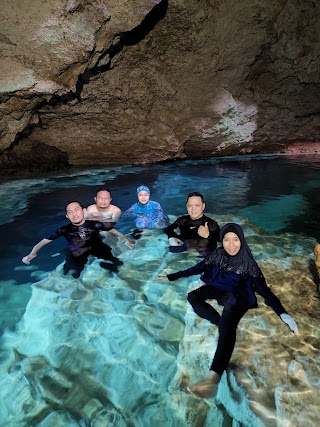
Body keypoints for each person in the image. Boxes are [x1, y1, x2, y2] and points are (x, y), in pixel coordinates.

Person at [155, 223, 298, 398]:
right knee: (193, 297)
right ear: (222, 241)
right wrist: (170, 277)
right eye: (226, 240)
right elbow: (196, 269)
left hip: (239, 293)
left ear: (241, 241)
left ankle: (213, 378)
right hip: (220, 286)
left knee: (229, 321)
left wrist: (283, 314)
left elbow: (265, 292)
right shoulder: (218, 255)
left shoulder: (249, 265)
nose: (231, 244)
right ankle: (220, 323)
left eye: (235, 240)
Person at [22, 200, 123, 278]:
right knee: (72, 274)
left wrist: (124, 240)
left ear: (83, 211)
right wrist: (33, 252)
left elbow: (111, 230)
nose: (74, 214)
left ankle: (109, 271)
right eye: (70, 212)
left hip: (97, 247)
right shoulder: (64, 230)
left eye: (76, 210)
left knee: (118, 264)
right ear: (67, 216)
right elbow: (44, 241)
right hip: (77, 252)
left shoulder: (95, 224)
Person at [163, 192, 220, 256]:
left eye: (197, 205)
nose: (193, 209)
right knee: (173, 248)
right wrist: (172, 237)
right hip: (185, 248)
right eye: (190, 205)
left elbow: (222, 239)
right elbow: (167, 229)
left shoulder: (210, 224)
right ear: (187, 206)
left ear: (203, 206)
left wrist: (208, 235)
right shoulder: (182, 220)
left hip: (203, 253)